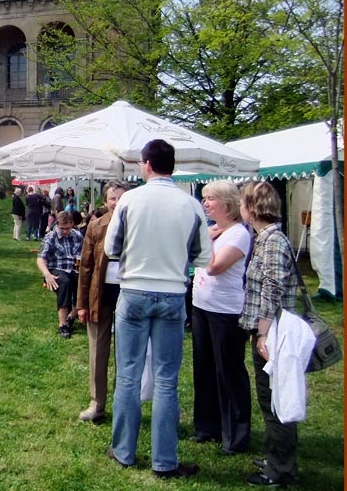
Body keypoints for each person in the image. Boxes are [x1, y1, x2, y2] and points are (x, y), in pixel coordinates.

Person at [104, 139, 211, 478]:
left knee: (129, 374)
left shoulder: (130, 199)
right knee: (166, 379)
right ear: (172, 166)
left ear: (147, 164)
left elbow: (111, 248)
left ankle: (123, 451)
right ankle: (164, 460)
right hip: (171, 293)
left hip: (134, 291)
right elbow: (204, 256)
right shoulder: (190, 204)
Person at [238, 181, 301, 487]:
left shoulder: (273, 241)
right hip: (268, 331)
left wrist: (262, 334)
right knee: (269, 398)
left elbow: (272, 290)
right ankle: (276, 457)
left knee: (277, 399)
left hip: (274, 333)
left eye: (242, 203)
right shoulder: (264, 239)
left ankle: (281, 469)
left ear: (252, 208)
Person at [190, 180, 252, 455]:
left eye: (210, 198)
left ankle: (235, 435)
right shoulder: (214, 231)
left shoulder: (238, 234)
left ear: (227, 203)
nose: (205, 203)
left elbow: (213, 266)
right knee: (203, 367)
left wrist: (204, 242)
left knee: (228, 371)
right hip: (201, 305)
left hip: (226, 312)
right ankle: (207, 426)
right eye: (204, 198)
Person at [77, 180, 128, 422]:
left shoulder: (137, 225)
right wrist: (82, 305)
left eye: (121, 197)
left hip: (130, 295)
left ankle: (123, 402)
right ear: (105, 201)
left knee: (126, 351)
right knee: (98, 350)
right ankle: (97, 402)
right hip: (101, 295)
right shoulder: (96, 226)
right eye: (112, 198)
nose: (116, 202)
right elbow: (85, 267)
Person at [37, 210, 83, 338]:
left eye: (68, 228)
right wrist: (47, 275)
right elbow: (41, 258)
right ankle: (62, 324)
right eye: (62, 228)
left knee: (84, 284)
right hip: (56, 268)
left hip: (74, 268)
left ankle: (71, 317)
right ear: (57, 224)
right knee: (65, 283)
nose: (65, 231)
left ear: (72, 225)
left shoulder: (77, 236)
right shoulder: (50, 237)